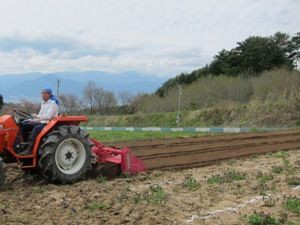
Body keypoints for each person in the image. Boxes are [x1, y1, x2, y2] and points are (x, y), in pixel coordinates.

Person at [20, 88, 59, 155]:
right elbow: (40, 115)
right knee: (25, 125)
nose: (43, 95)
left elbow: (48, 116)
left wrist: (37, 116)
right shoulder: (43, 103)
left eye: (45, 93)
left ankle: (30, 149)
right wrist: (33, 119)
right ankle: (25, 145)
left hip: (48, 123)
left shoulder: (53, 103)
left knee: (36, 129)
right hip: (41, 121)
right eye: (42, 93)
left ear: (49, 94)